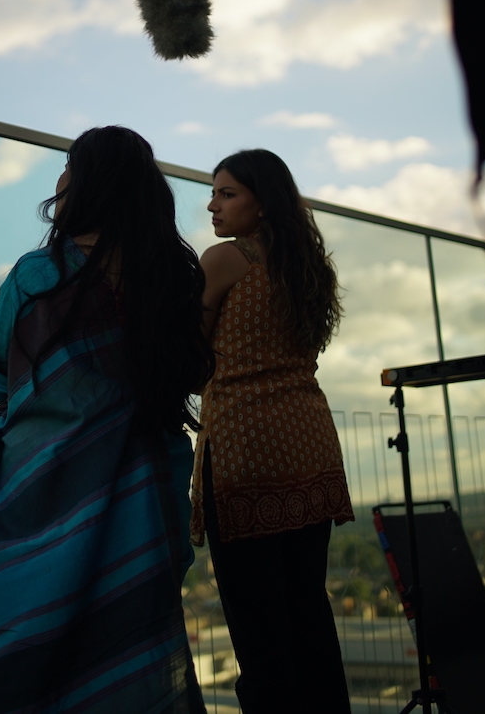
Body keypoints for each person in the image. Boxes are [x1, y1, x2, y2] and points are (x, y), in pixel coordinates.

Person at [0, 126, 215, 714]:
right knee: (121, 654)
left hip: (44, 500)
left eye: (68, 167)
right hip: (142, 499)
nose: (59, 180)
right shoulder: (175, 281)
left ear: (89, 182)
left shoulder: (38, 276)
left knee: (29, 659)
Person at [191, 149, 354, 714]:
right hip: (308, 443)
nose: (212, 204)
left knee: (260, 633)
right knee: (309, 612)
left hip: (248, 451)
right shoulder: (307, 265)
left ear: (263, 202)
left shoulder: (224, 261)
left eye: (227, 194)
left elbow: (189, 357)